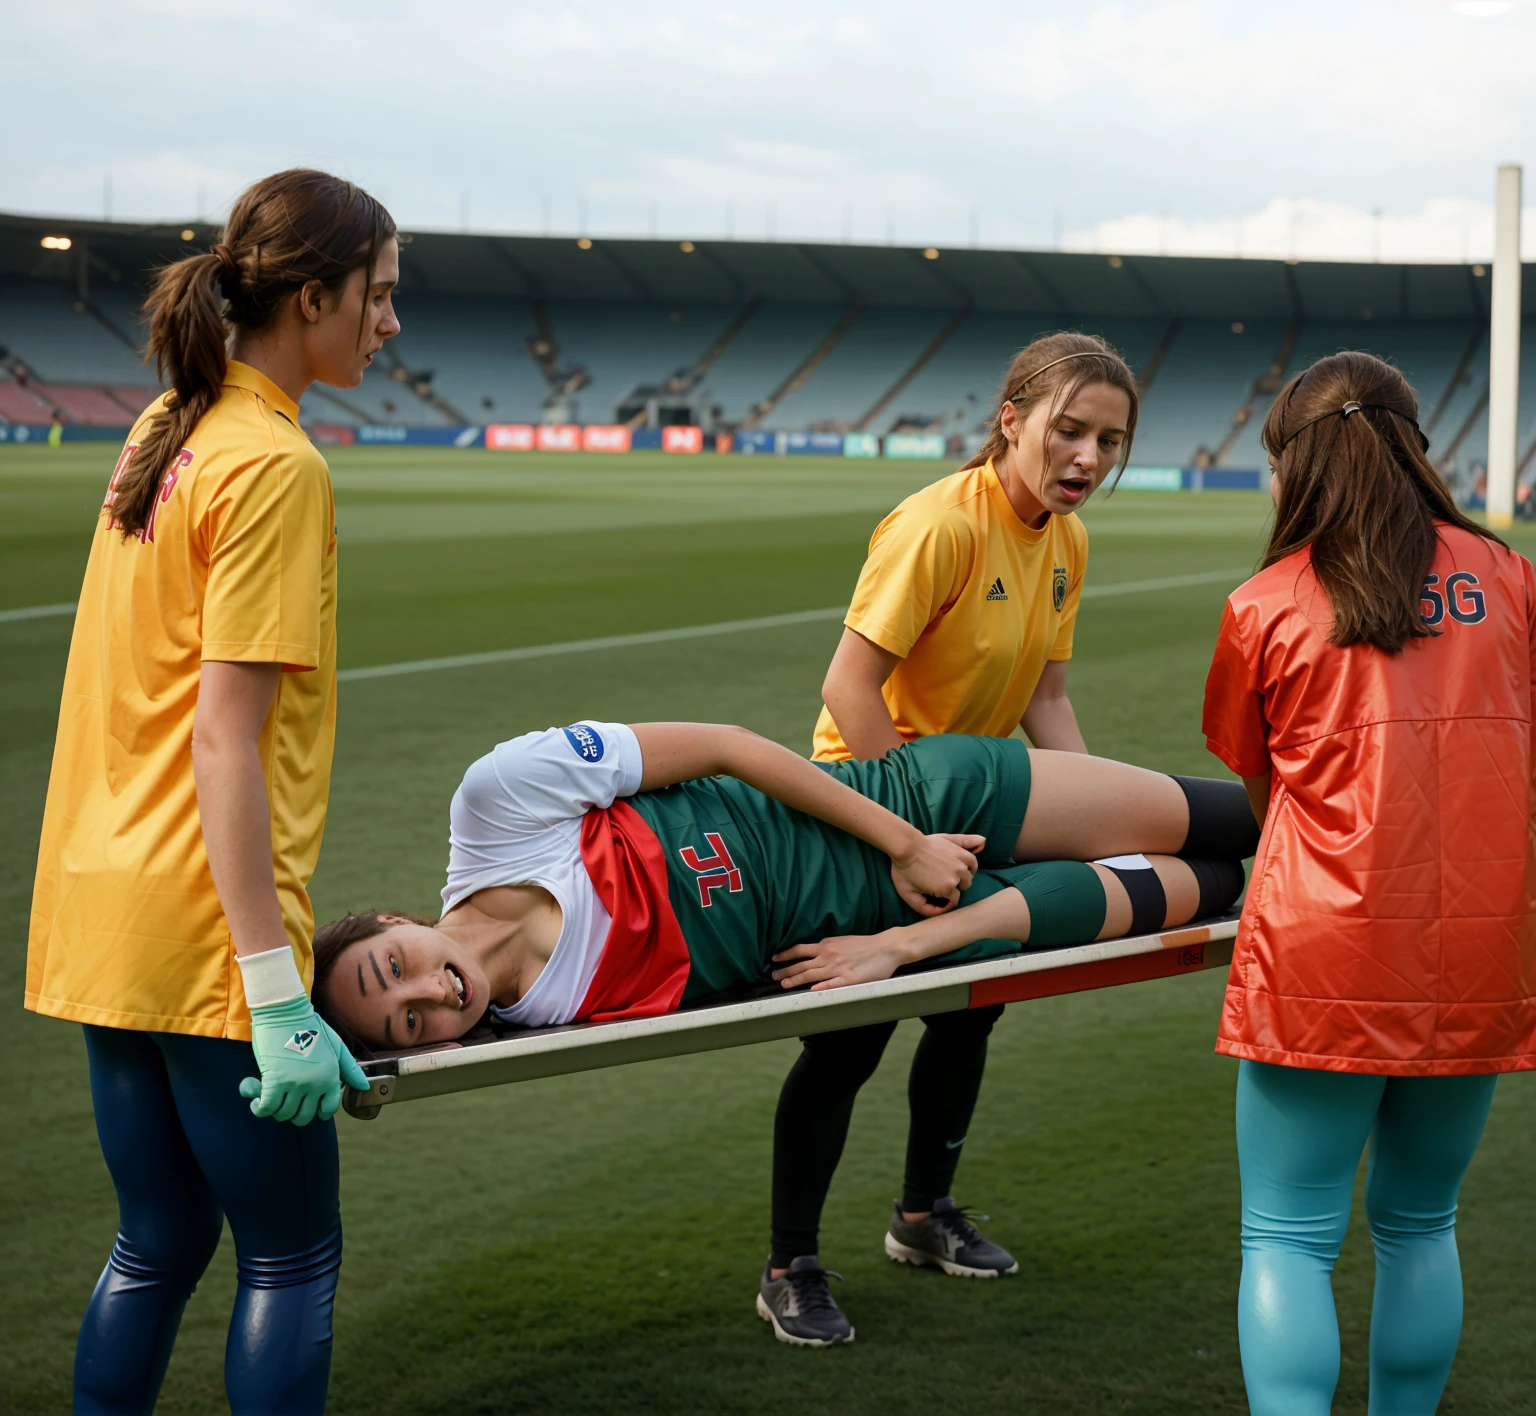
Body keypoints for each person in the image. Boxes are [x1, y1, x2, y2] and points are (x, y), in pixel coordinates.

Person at [26, 169, 399, 1414]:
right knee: (291, 1258)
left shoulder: (162, 427)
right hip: (203, 939)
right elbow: (224, 740)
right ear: (312, 298)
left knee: (157, 1243)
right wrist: (278, 991)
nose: (390, 324)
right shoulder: (274, 466)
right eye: (378, 297)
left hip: (100, 914)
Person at [757, 331, 1137, 1345]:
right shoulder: (941, 526)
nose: (1087, 459)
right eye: (1069, 431)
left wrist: (1090, 817)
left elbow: (1047, 699)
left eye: (1109, 440)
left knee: (970, 1012)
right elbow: (846, 686)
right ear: (1010, 420)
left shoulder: (1067, 539)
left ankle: (924, 1217)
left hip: (972, 819)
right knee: (851, 1038)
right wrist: (907, 838)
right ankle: (790, 1263)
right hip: (869, 813)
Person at [1201, 350, 1536, 1416]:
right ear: (1415, 447)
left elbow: (1259, 784)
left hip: (1320, 951)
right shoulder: (1515, 577)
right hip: (1481, 946)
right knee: (1421, 1224)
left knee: (1287, 1237)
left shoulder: (1267, 602)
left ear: (1297, 464)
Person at [311, 720, 1256, 1052]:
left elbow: (727, 747)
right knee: (1214, 889)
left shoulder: (497, 806)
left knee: (1249, 821)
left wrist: (907, 842)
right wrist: (896, 943)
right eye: (409, 1020)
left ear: (395, 920)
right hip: (915, 927)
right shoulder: (538, 1029)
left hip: (914, 806)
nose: (432, 992)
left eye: (395, 965)